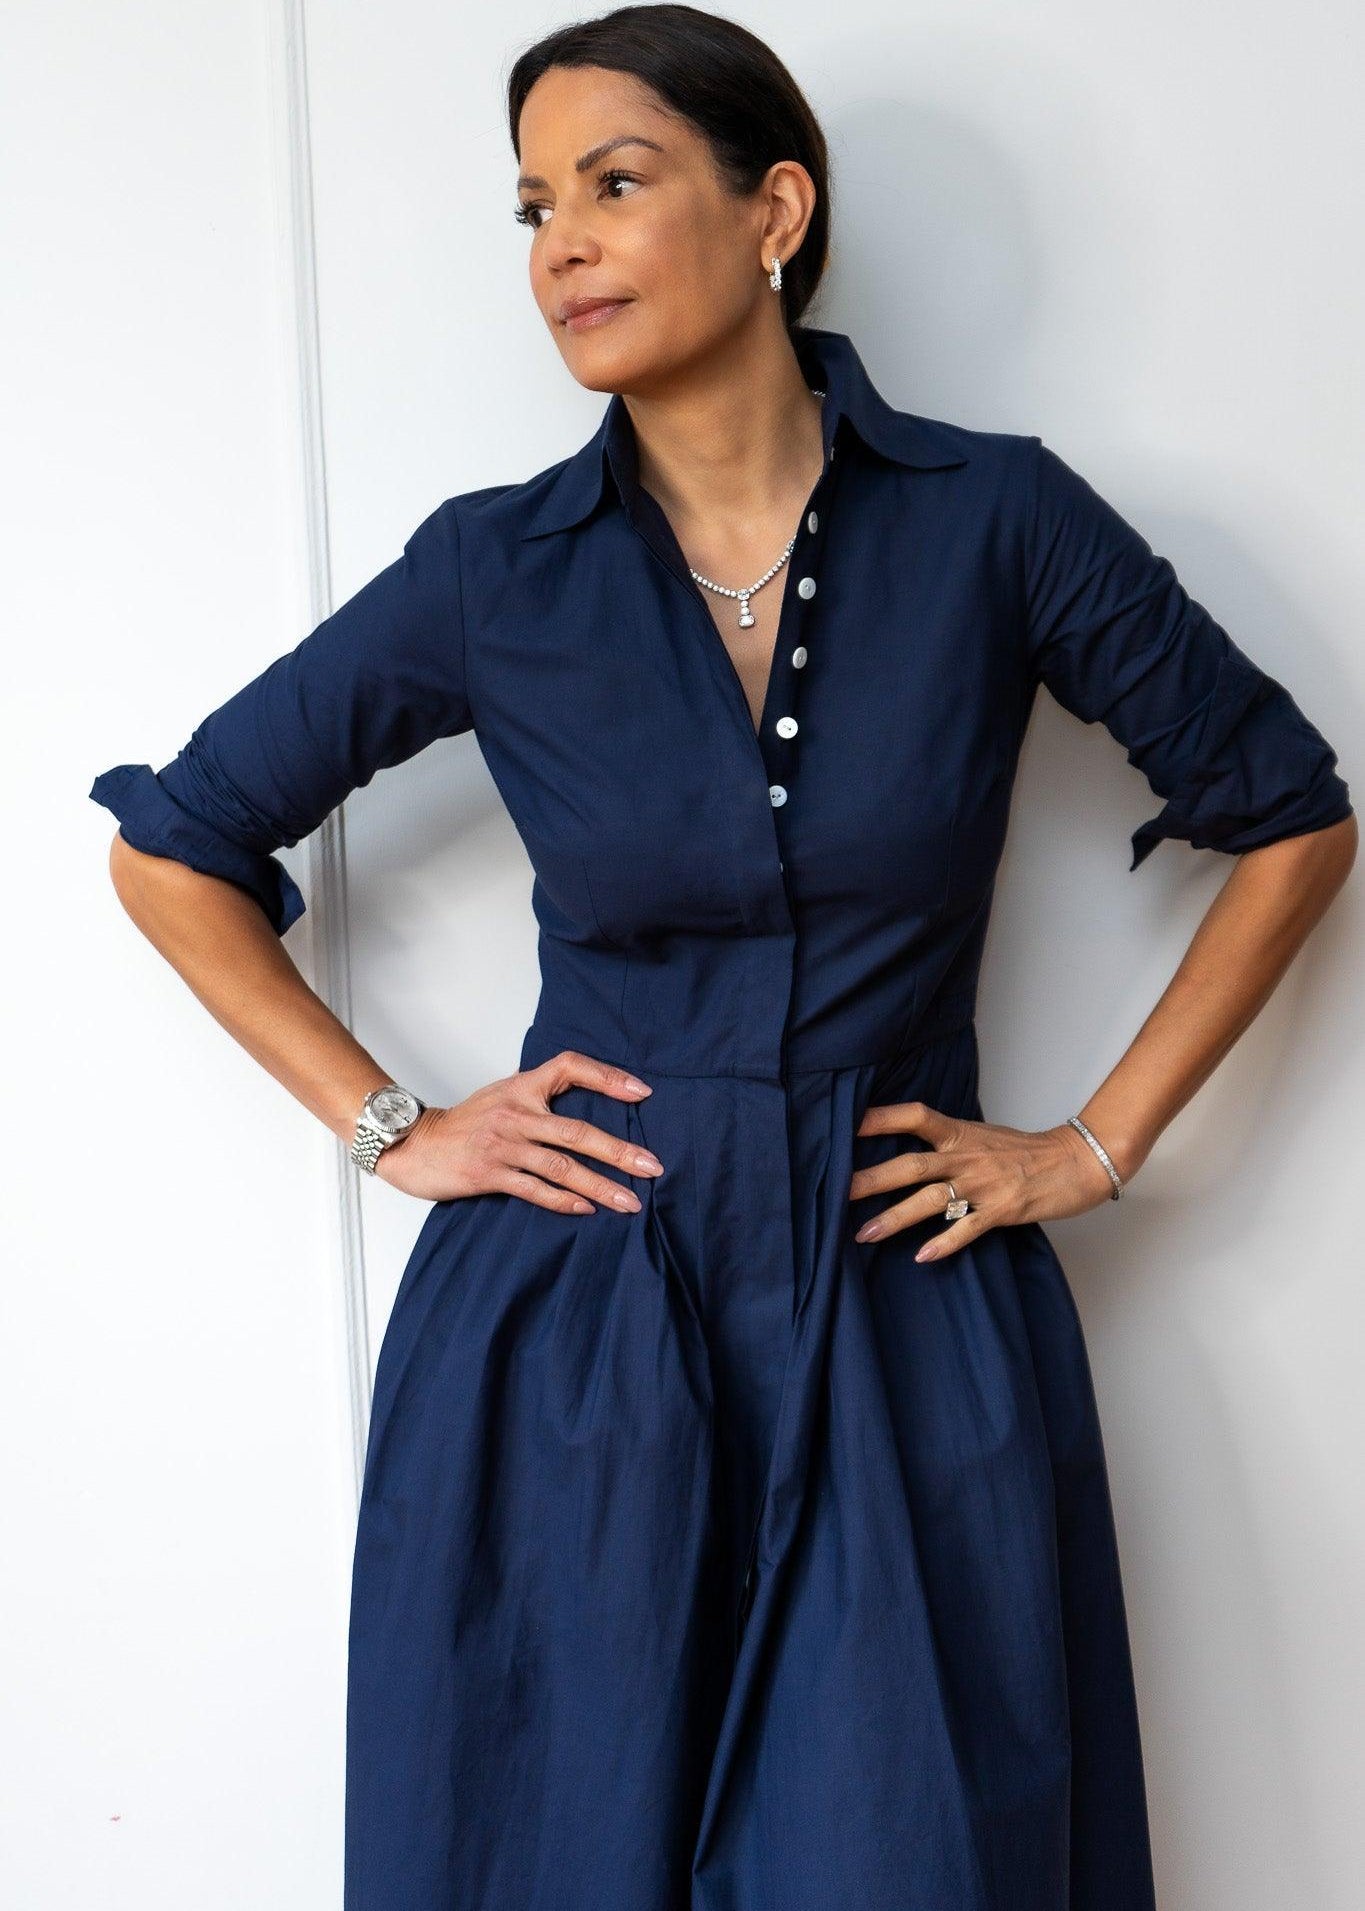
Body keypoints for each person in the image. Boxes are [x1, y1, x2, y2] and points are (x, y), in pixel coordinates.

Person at [89, 9, 1356, 1909]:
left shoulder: (993, 518)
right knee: (541, 1854)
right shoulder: (492, 571)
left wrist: (1090, 1147)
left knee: (916, 1858)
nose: (561, 249)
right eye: (530, 208)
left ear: (775, 209)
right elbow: (176, 847)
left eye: (615, 183)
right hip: (574, 1316)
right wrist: (391, 1125)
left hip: (902, 1297)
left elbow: (1289, 813)